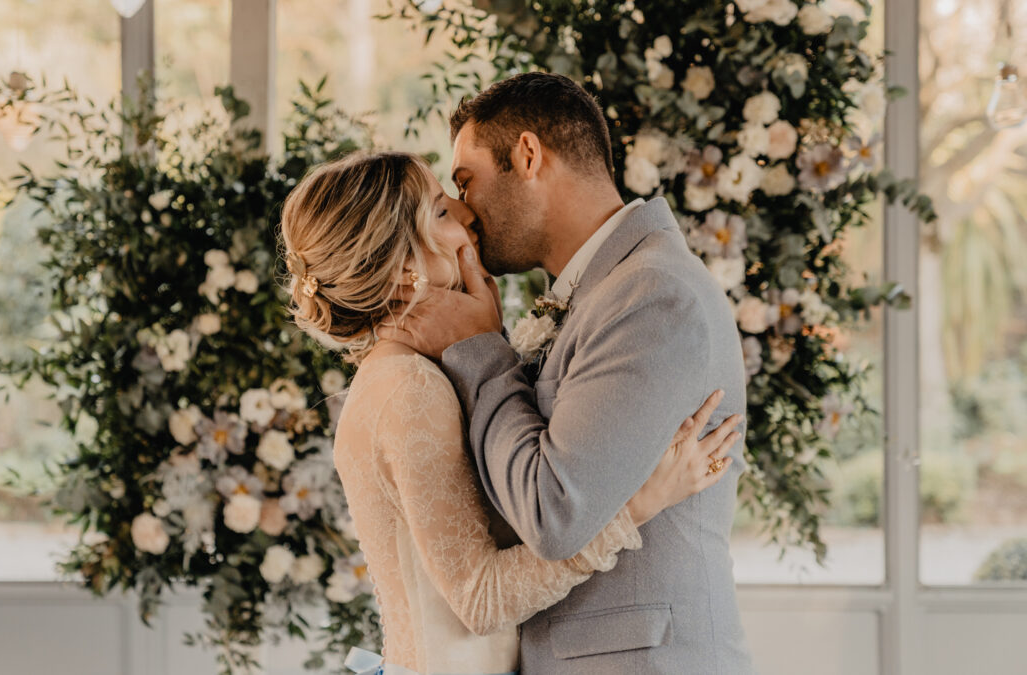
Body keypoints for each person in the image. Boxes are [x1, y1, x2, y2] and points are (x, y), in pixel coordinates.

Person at [278, 150, 742, 675]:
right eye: (440, 211)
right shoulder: (408, 386)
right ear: (407, 268)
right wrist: (638, 504)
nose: (465, 212)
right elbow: (482, 600)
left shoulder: (417, 371)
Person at [378, 73, 756, 674]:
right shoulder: (600, 291)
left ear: (528, 156)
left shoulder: (652, 294)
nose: (465, 210)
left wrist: (481, 347)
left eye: (466, 181)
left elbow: (553, 513)